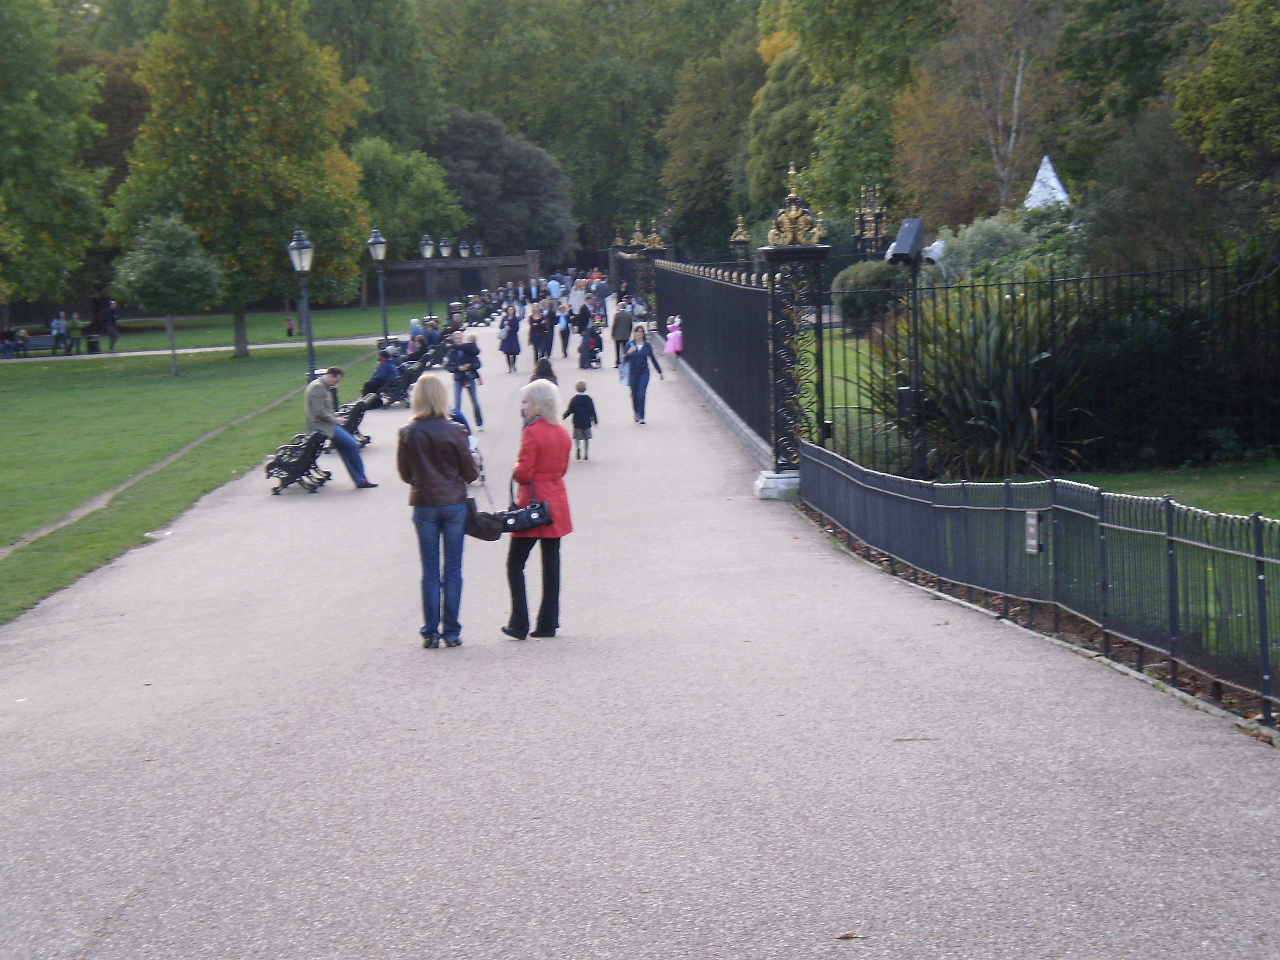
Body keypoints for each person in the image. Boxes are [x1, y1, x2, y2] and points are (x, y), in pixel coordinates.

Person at [398, 374, 479, 648]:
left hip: (425, 502)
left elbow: (404, 473)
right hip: (454, 502)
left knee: (430, 570)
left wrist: (422, 480)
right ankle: (452, 630)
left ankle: (431, 631)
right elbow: (470, 473)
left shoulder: (408, 432)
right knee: (453, 569)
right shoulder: (455, 430)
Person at [502, 379, 573, 641]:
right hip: (556, 501)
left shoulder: (532, 432)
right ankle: (548, 622)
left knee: (515, 564)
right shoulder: (562, 432)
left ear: (539, 405)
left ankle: (519, 621)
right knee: (551, 564)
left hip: (533, 503)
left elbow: (524, 473)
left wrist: (515, 468)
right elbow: (563, 467)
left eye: (526, 402)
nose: (523, 407)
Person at [305, 367, 377, 488]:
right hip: (323, 426)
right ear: (331, 376)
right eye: (336, 381)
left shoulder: (319, 386)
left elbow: (323, 409)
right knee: (352, 445)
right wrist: (335, 419)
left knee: (346, 448)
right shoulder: (318, 387)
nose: (336, 384)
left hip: (326, 424)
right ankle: (361, 479)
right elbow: (318, 411)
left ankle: (360, 479)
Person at [623, 323, 664, 423]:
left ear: (643, 334)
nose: (639, 334)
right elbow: (624, 359)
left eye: (641, 332)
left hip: (644, 372)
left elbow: (653, 359)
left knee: (641, 394)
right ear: (634, 333)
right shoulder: (629, 344)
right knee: (634, 394)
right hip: (633, 372)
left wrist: (660, 371)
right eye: (637, 332)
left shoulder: (647, 346)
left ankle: (641, 416)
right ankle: (636, 412)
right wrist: (629, 353)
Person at [445, 330, 484, 430]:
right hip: (458, 378)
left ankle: (480, 423)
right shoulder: (452, 352)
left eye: (460, 338)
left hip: (469, 377)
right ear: (454, 340)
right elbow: (449, 367)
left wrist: (470, 366)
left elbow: (478, 364)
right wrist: (458, 368)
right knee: (457, 403)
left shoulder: (468, 349)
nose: (458, 340)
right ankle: (457, 425)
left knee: (474, 401)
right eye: (456, 339)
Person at [563, 380, 598, 460]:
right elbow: (592, 410)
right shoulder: (588, 399)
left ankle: (578, 448)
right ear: (585, 388)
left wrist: (562, 417)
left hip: (577, 422)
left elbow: (570, 410)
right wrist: (595, 421)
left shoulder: (574, 399)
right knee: (587, 438)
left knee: (577, 437)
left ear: (576, 389)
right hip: (587, 422)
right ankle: (586, 453)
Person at [610, 298, 634, 367]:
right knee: (625, 349)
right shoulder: (629, 314)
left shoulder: (617, 314)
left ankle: (617, 362)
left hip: (617, 334)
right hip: (626, 334)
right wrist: (629, 333)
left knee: (617, 349)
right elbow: (630, 325)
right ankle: (625, 362)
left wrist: (612, 333)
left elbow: (615, 324)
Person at [498, 305, 522, 372]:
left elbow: (517, 329)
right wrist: (504, 325)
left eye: (512, 309)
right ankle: (509, 367)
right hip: (506, 337)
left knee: (514, 352)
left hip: (513, 336)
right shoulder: (505, 318)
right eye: (509, 309)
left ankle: (513, 365)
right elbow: (500, 326)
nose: (510, 311)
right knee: (507, 353)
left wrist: (510, 329)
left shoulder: (515, 318)